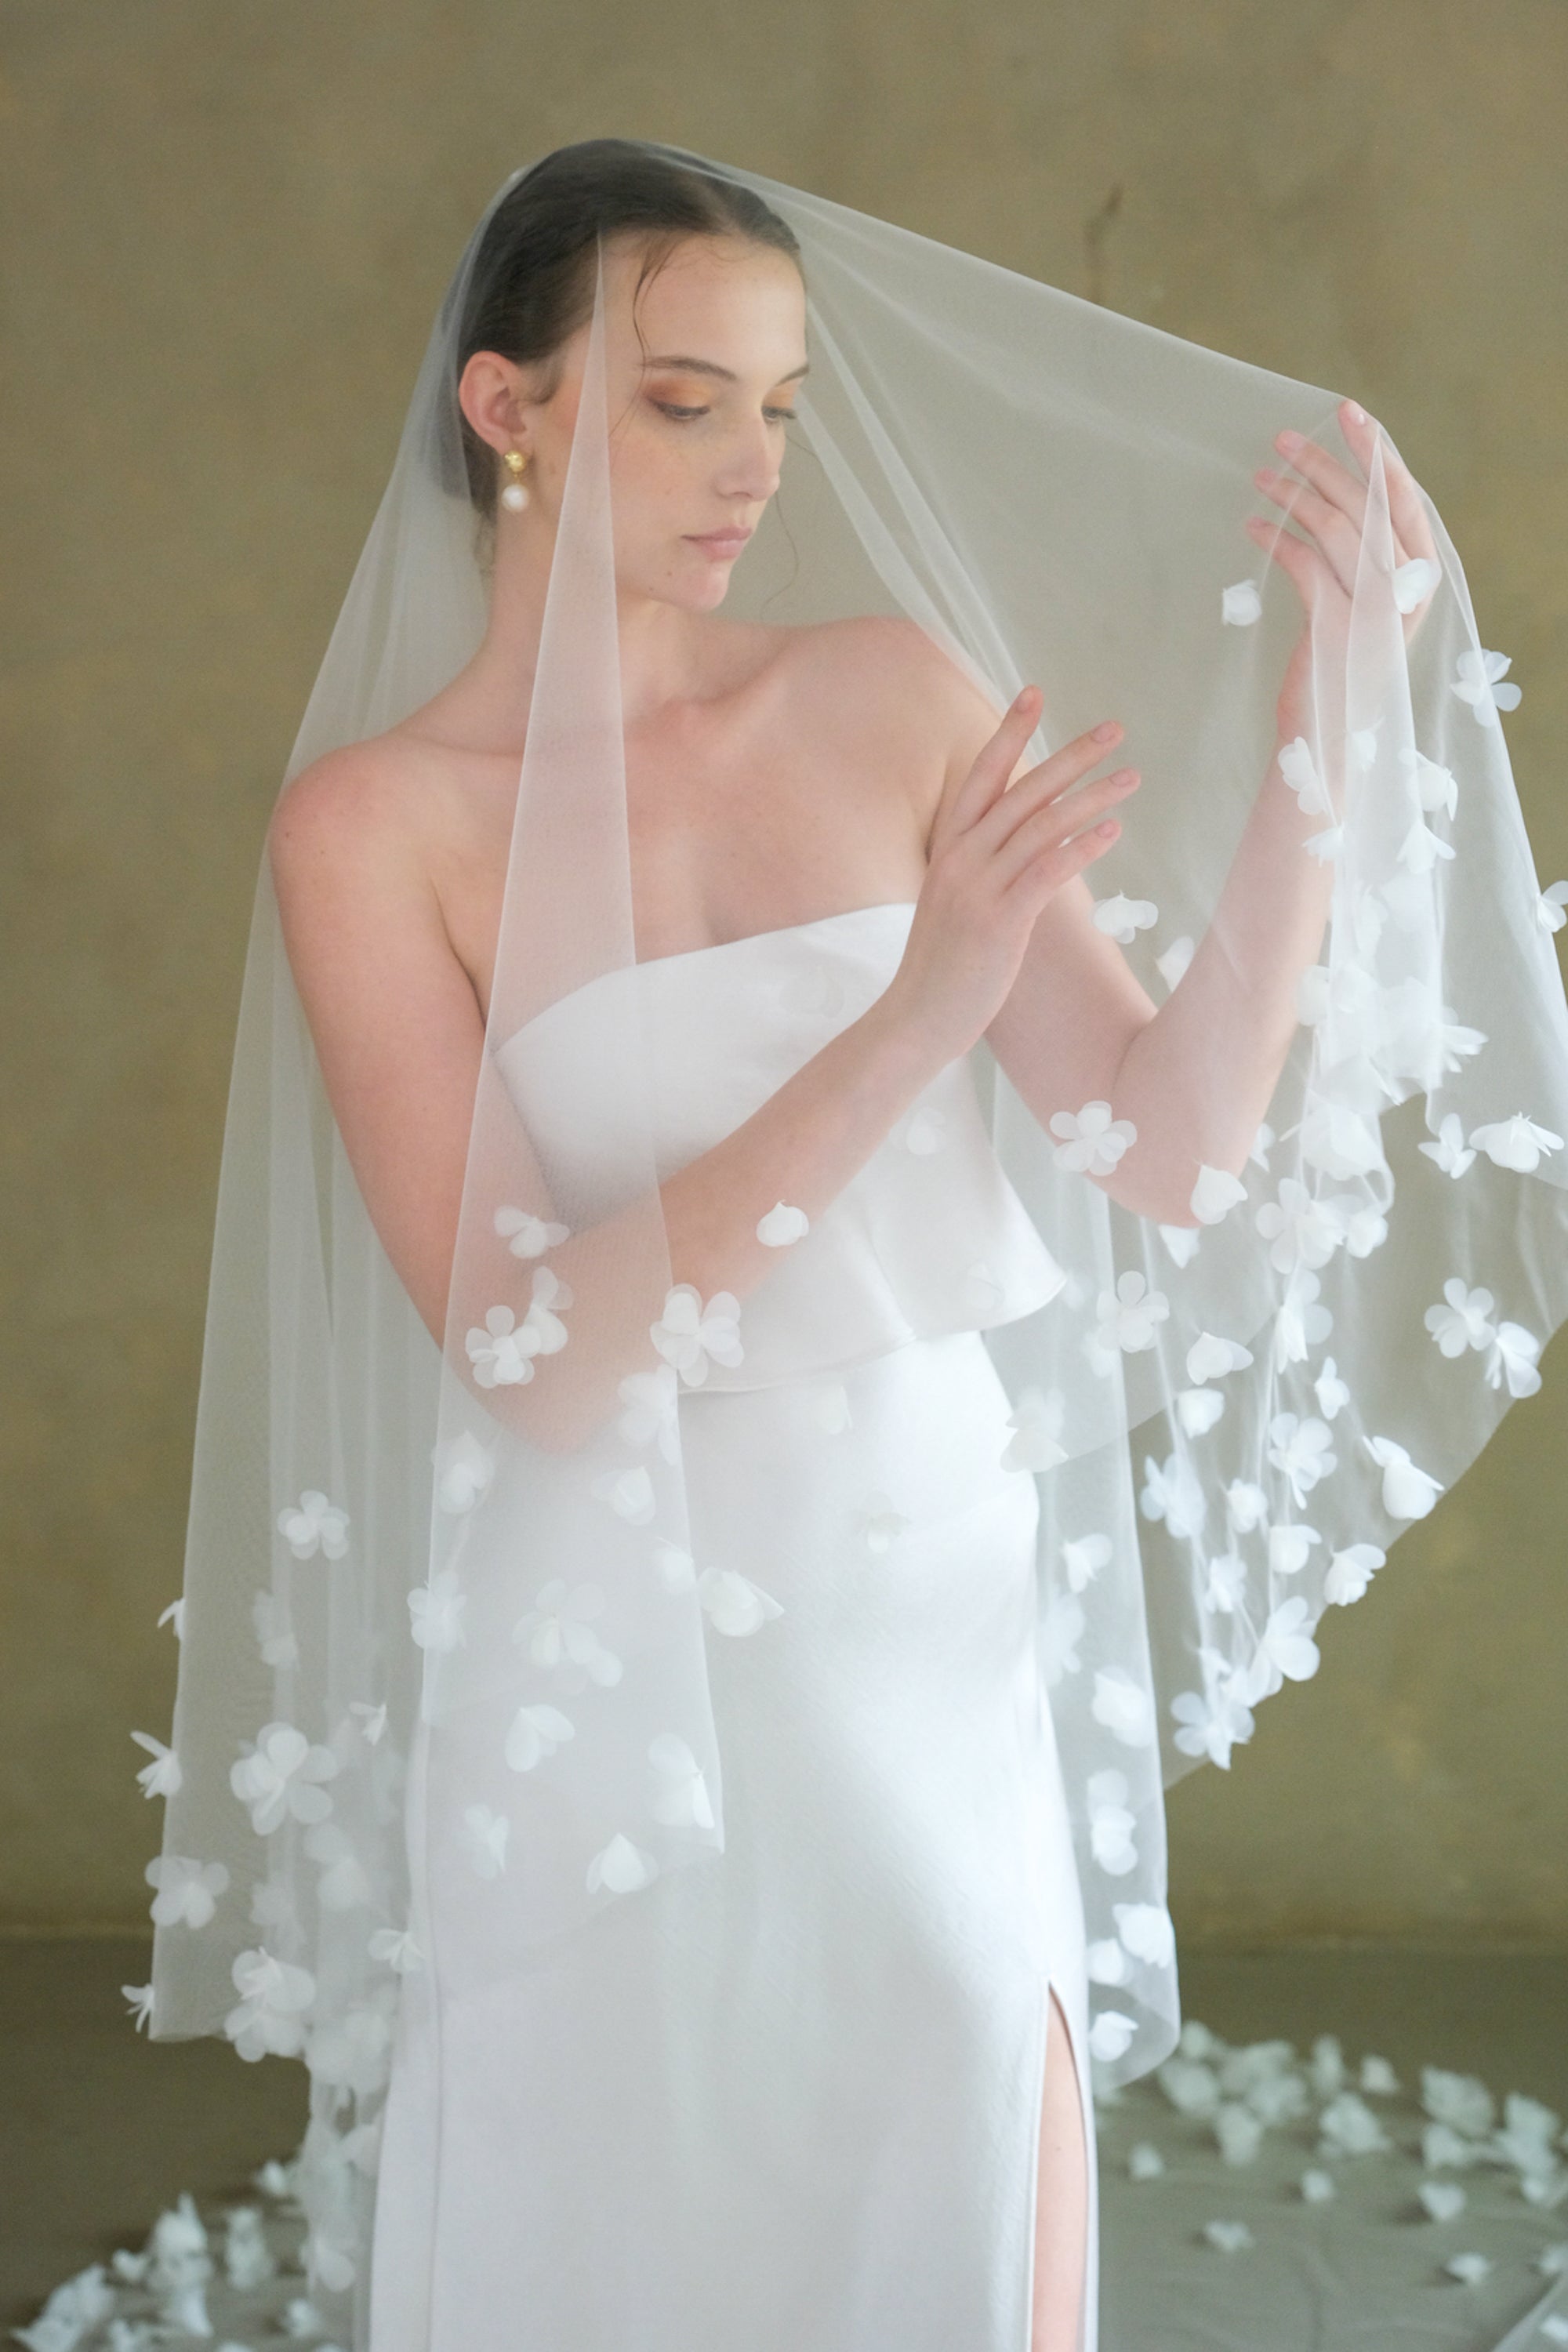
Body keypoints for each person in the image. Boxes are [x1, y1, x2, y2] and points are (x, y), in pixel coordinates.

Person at [145, 140, 1568, 2352]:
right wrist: (917, 1016)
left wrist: (1329, 728)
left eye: (784, 405)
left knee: (943, 2102)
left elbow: (1171, 1145)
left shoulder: (891, 693)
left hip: (911, 1567)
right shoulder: (378, 829)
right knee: (612, 2177)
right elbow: (526, 1349)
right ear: (506, 408)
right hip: (598, 1614)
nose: (755, 468)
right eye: (685, 399)